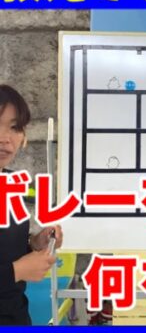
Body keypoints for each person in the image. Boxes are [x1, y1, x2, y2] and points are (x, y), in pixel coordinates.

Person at [0, 84, 62, 325]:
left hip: (16, 315)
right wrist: (17, 271)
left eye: (15, 127)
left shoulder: (11, 184)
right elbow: (12, 268)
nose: (5, 138)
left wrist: (35, 244)